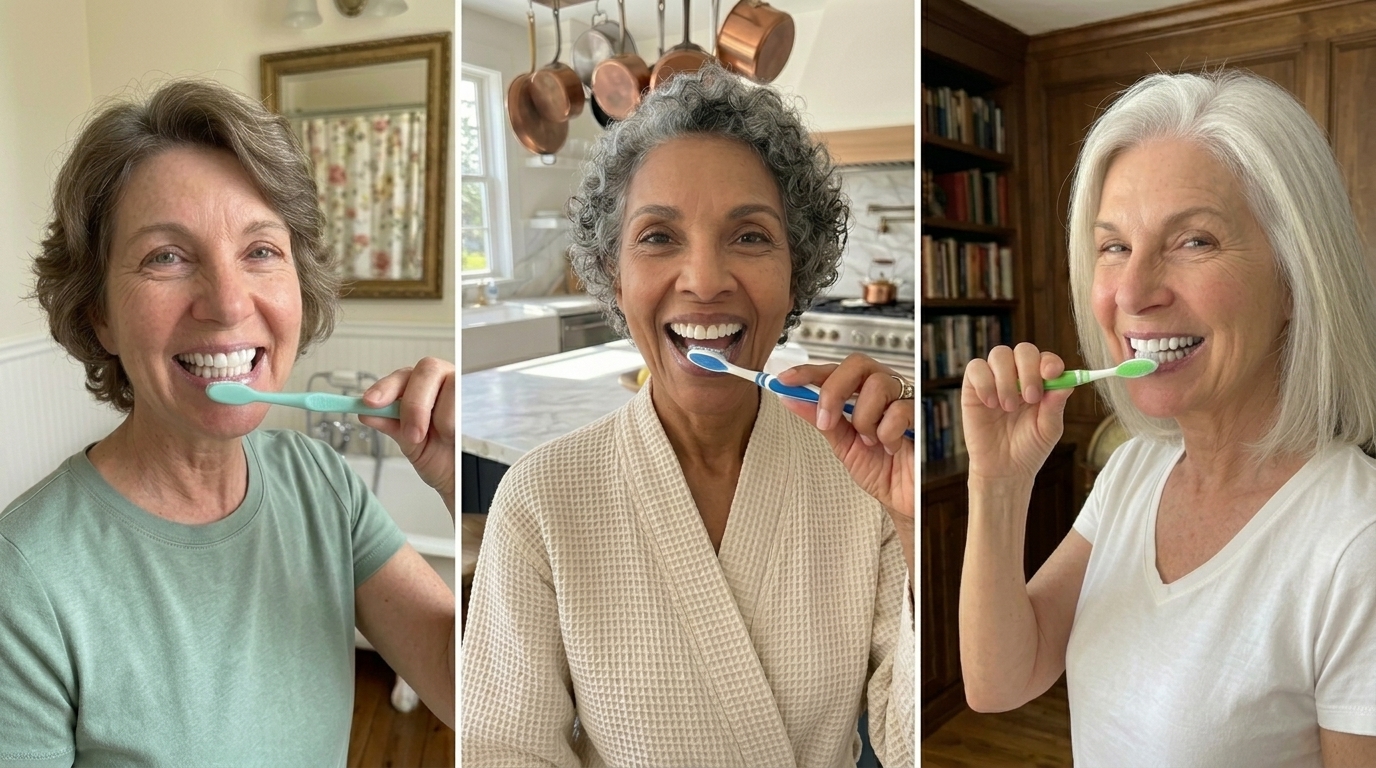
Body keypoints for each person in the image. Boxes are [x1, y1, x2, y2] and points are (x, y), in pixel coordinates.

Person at [461, 65, 916, 768]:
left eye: (751, 237)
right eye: (658, 237)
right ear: (614, 272)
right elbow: (504, 751)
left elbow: (908, 738)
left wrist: (912, 519)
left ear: (798, 269)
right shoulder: (541, 500)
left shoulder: (864, 487)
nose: (704, 280)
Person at [0, 79, 455, 766]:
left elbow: (474, 695)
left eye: (261, 250)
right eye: (167, 257)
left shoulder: (321, 486)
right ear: (99, 314)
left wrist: (466, 490)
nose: (227, 302)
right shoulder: (24, 578)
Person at [959, 70, 1376, 767]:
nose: (1132, 291)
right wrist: (998, 483)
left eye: (1195, 241)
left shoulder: (1355, 544)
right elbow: (1002, 681)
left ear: (1297, 279)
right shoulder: (1132, 469)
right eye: (1114, 245)